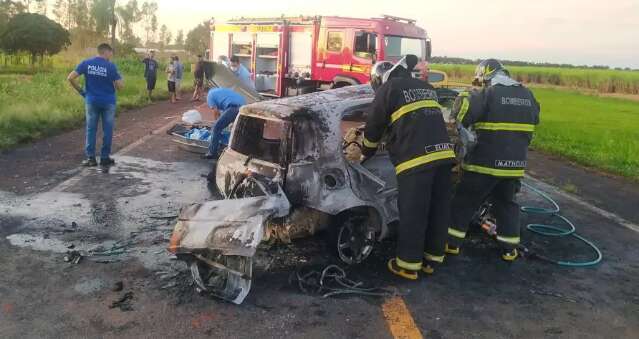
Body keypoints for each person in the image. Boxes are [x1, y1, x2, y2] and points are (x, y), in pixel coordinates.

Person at [361, 55, 456, 280]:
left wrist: (365, 152)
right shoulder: (425, 87)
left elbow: (374, 126)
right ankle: (432, 259)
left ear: (379, 80)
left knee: (414, 212)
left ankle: (408, 265)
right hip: (444, 156)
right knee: (438, 209)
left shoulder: (388, 89)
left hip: (416, 160)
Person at [446, 59, 540, 261]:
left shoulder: (487, 95)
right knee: (507, 205)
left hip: (484, 164)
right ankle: (509, 250)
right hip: (514, 167)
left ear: (484, 76)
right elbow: (534, 121)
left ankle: (451, 244)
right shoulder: (528, 95)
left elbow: (462, 118)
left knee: (464, 201)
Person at [67, 43, 123, 167]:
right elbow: (120, 87)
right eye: (111, 53)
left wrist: (82, 92)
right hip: (108, 102)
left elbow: (70, 78)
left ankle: (91, 158)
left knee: (91, 129)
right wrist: (115, 80)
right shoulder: (111, 66)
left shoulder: (86, 63)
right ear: (106, 52)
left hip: (91, 101)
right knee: (107, 130)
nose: (111, 55)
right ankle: (104, 158)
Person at [202, 87, 246, 160]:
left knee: (216, 128)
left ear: (205, 94)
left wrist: (216, 123)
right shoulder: (220, 91)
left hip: (233, 107)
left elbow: (215, 111)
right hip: (243, 105)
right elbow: (222, 113)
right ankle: (237, 148)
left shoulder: (209, 96)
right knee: (237, 129)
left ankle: (212, 153)